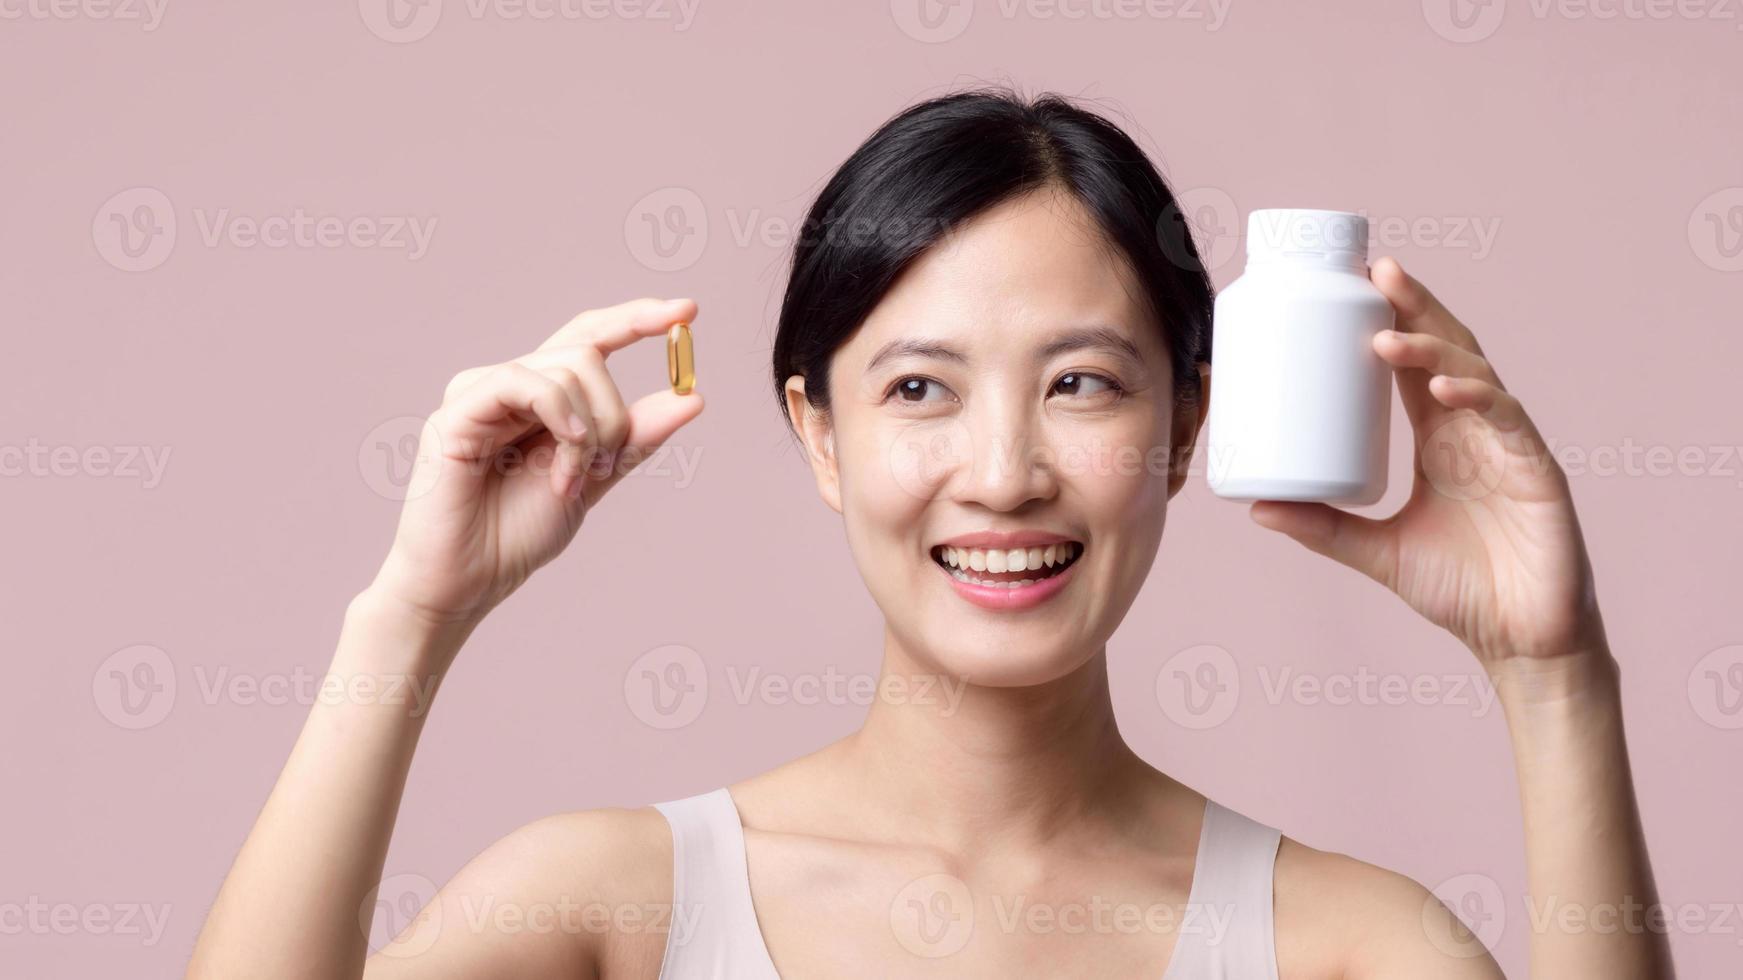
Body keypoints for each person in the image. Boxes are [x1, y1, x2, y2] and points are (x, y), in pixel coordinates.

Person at [186, 90, 1672, 979]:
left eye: (1083, 383)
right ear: (820, 436)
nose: (1006, 473)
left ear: (1185, 431)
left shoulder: (1345, 942)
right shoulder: (614, 902)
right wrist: (408, 617)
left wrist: (1555, 675)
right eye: (919, 391)